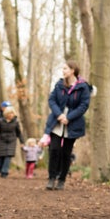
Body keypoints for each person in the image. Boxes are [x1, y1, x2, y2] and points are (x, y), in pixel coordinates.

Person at [41, 60, 92, 191]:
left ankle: (62, 179)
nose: (63, 71)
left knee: (66, 153)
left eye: (65, 69)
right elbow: (51, 100)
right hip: (56, 122)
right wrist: (59, 115)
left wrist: (69, 117)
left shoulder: (83, 87)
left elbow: (84, 105)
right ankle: (52, 178)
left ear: (72, 70)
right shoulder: (59, 84)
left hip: (73, 124)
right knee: (54, 150)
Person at [0, 106, 25, 178]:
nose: (11, 115)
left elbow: (19, 133)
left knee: (8, 156)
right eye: (9, 113)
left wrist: (22, 142)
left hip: (12, 141)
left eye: (12, 113)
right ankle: (1, 170)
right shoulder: (0, 121)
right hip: (2, 140)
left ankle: (5, 171)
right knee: (1, 156)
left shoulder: (16, 122)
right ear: (6, 114)